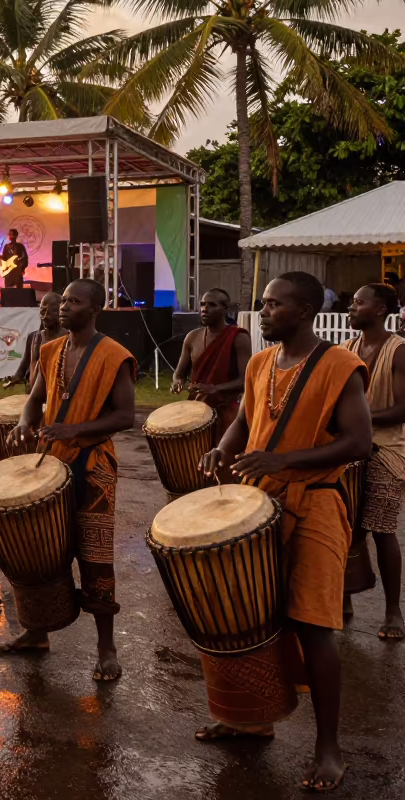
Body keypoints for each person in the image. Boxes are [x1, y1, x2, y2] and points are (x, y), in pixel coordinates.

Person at [200, 272, 370, 793]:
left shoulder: (340, 365)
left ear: (303, 310)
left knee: (314, 626)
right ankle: (250, 719)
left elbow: (359, 442)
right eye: (264, 303)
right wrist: (222, 447)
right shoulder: (259, 363)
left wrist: (285, 459)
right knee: (249, 615)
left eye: (274, 304)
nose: (264, 310)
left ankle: (328, 749)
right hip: (262, 505)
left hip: (317, 504)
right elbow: (245, 422)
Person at [3, 279, 135, 680]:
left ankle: (106, 648)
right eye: (64, 300)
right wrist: (26, 423)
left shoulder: (115, 355)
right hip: (52, 462)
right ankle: (36, 632)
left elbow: (125, 417)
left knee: (95, 558)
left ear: (94, 309)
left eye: (74, 302)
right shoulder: (50, 350)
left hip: (93, 466)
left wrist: (74, 431)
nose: (64, 307)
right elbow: (35, 399)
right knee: (40, 549)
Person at [345, 283, 405, 639]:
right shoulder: (349, 348)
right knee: (346, 526)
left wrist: (358, 420)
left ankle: (393, 610)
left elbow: (403, 409)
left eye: (358, 302)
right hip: (354, 444)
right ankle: (346, 595)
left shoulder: (398, 351)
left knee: (381, 529)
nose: (351, 307)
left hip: (388, 448)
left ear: (380, 309)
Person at [172, 288, 252, 439]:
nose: (204, 309)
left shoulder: (238, 337)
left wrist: (215, 388)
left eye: (211, 305)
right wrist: (177, 382)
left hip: (227, 410)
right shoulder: (192, 337)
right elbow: (179, 374)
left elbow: (245, 380)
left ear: (225, 309)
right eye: (202, 304)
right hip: (196, 410)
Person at [2, 292, 63, 390]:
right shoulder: (34, 337)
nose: (45, 316)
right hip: (33, 393)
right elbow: (26, 362)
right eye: (43, 311)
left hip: (56, 394)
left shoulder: (68, 338)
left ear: (61, 312)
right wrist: (16, 377)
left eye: (52, 311)